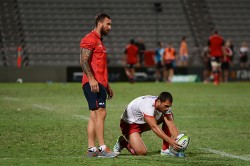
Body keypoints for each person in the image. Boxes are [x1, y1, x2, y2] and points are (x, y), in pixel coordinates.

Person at [79, 13, 117, 158]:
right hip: (92, 83)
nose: (110, 27)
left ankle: (92, 149)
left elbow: (100, 67)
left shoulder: (99, 41)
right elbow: (83, 61)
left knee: (94, 115)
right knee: (101, 113)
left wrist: (107, 85)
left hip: (99, 83)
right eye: (108, 24)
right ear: (100, 23)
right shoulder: (89, 39)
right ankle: (102, 148)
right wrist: (91, 79)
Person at [113, 92, 185, 157]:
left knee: (169, 116)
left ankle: (165, 150)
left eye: (169, 106)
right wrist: (170, 141)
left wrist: (178, 141)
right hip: (130, 125)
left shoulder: (163, 104)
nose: (167, 108)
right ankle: (123, 142)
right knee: (141, 152)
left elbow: (171, 124)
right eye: (166, 106)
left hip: (143, 122)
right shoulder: (147, 105)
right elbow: (154, 127)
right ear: (158, 101)